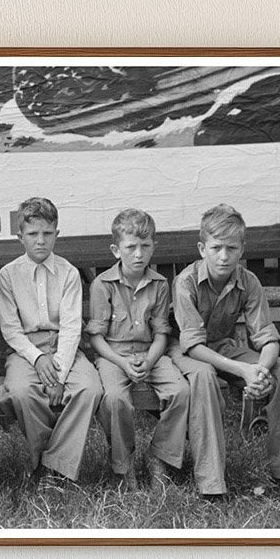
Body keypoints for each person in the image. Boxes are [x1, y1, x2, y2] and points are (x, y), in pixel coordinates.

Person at [169, 203, 280, 498]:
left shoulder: (248, 282)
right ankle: (212, 484)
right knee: (205, 377)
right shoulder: (185, 282)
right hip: (184, 352)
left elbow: (267, 337)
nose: (224, 257)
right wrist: (243, 371)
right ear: (202, 248)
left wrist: (260, 370)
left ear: (242, 249)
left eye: (232, 248)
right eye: (216, 248)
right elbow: (193, 345)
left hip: (222, 346)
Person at [0, 197, 102, 486]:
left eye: (47, 233)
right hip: (25, 349)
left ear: (57, 233)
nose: (40, 241)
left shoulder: (68, 273)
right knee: (19, 391)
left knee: (89, 388)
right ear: (20, 237)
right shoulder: (8, 275)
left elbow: (70, 328)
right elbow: (11, 329)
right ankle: (42, 456)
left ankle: (53, 466)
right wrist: (38, 359)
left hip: (64, 347)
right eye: (32, 234)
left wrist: (60, 372)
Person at [87, 209, 190, 491]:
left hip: (151, 353)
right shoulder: (102, 285)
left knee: (180, 392)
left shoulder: (159, 284)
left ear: (153, 246)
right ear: (116, 250)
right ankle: (123, 464)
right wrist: (121, 362)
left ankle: (161, 456)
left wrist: (150, 359)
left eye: (145, 247)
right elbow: (96, 338)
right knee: (115, 400)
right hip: (113, 355)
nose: (138, 254)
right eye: (131, 247)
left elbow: (161, 333)